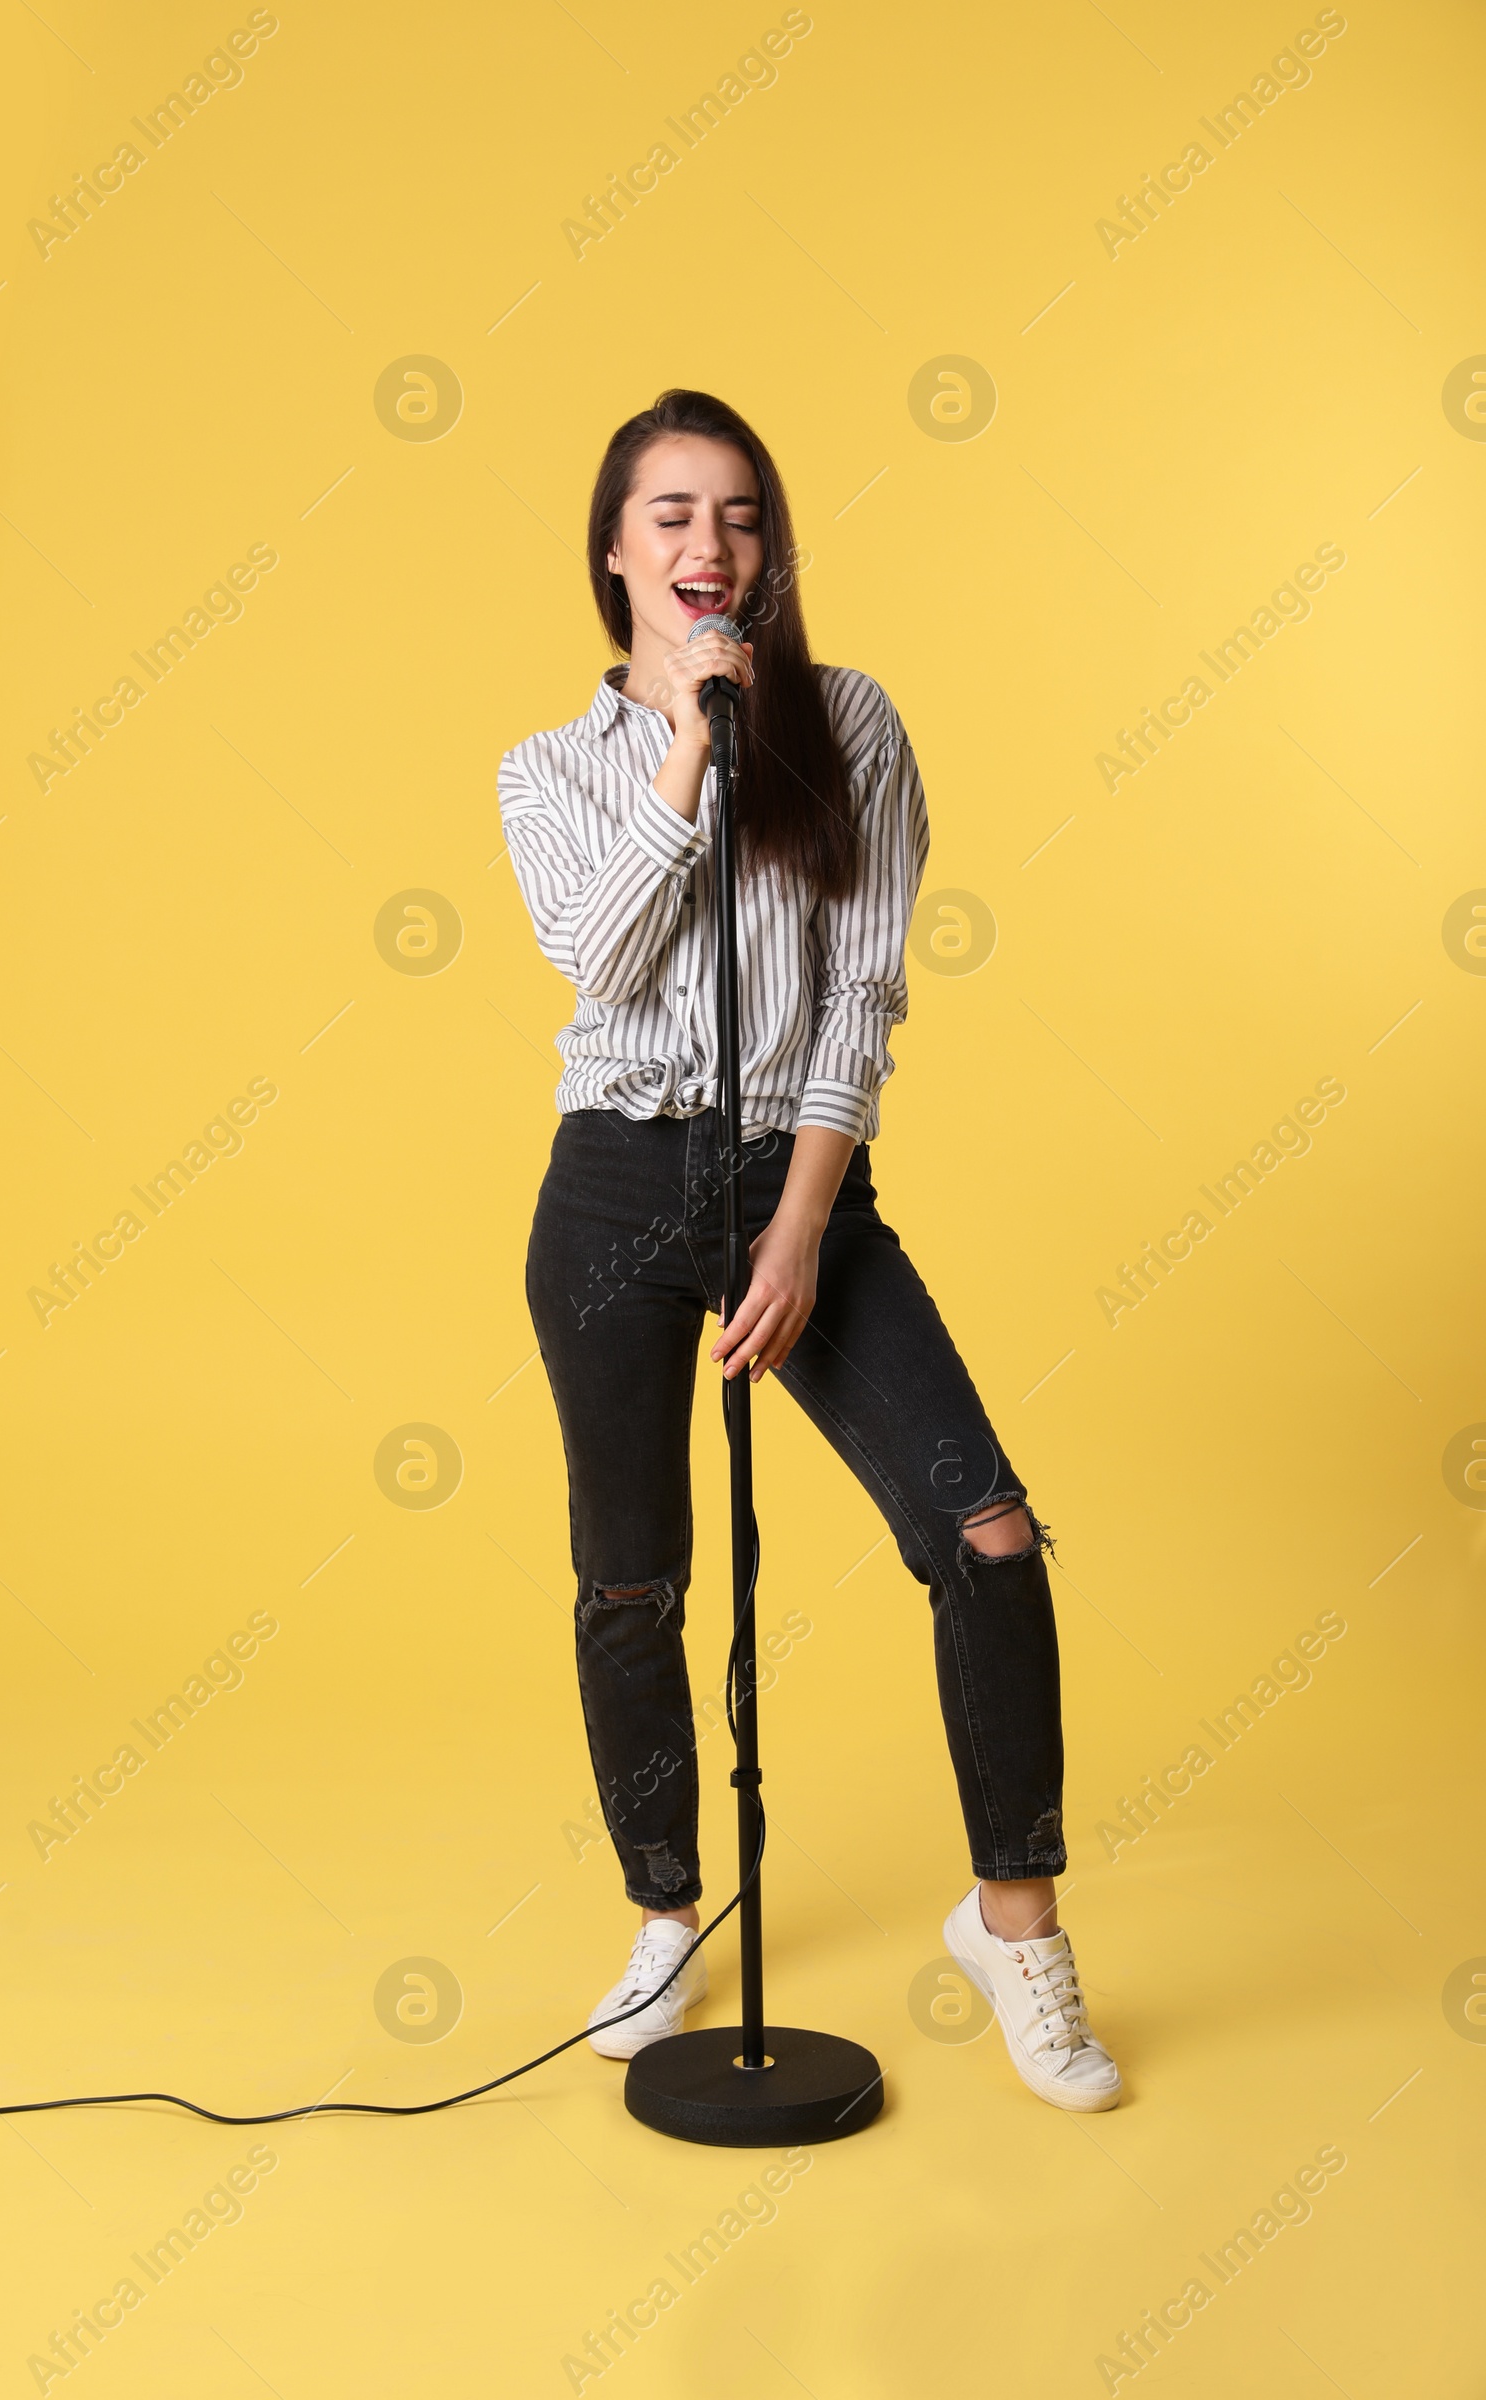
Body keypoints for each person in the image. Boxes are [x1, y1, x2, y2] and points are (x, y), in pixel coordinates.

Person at [497, 388, 1120, 2113]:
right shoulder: (547, 769)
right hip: (614, 1192)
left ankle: (1016, 1920)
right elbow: (602, 963)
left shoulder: (852, 726)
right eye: (674, 516)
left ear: (771, 549)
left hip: (801, 1172)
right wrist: (689, 738)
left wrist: (799, 1220)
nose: (711, 546)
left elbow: (862, 995)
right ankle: (664, 1916)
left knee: (984, 1530)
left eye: (742, 518)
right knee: (633, 1582)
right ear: (615, 549)